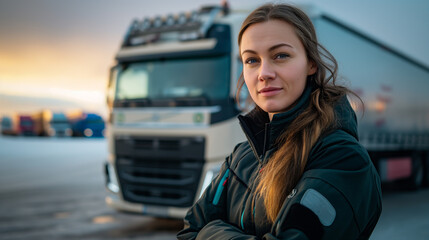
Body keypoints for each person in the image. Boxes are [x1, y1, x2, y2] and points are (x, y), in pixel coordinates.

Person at [177, 3, 382, 240]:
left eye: (281, 55)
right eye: (251, 60)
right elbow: (188, 231)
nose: (264, 72)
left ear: (311, 63)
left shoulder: (343, 158)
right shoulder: (239, 158)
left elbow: (198, 232)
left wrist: (210, 233)